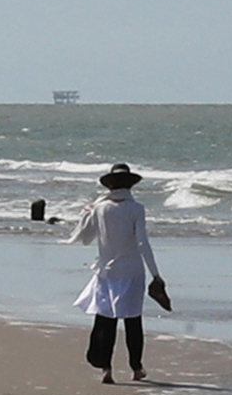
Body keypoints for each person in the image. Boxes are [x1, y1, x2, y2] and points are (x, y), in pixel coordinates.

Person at [69, 163, 171, 382]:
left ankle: (106, 369)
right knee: (133, 321)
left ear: (110, 185)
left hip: (106, 273)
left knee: (106, 321)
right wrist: (156, 274)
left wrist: (86, 214)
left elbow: (86, 239)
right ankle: (136, 368)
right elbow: (143, 244)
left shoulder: (100, 208)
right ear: (130, 185)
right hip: (132, 272)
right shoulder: (136, 209)